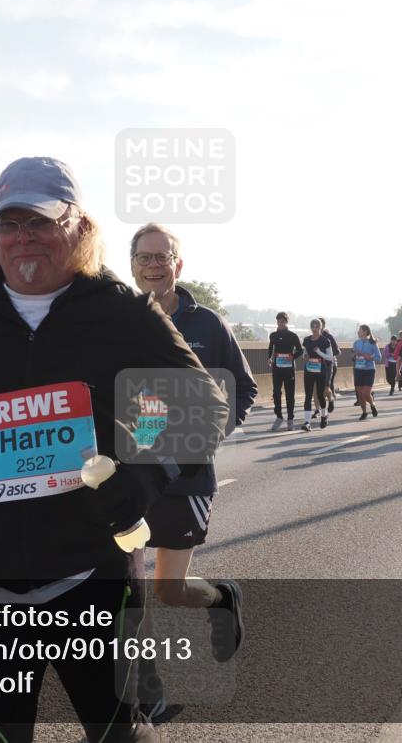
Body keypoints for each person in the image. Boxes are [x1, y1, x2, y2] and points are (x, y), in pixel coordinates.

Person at [0, 157, 230, 743]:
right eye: (9, 223)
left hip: (92, 573)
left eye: (40, 222)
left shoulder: (122, 310)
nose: (23, 238)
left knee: (118, 733)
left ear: (78, 226)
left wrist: (142, 478)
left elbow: (202, 403)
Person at [128, 221, 257, 716]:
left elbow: (243, 390)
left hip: (186, 477)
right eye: (145, 257)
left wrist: (211, 435)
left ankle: (222, 597)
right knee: (128, 590)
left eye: (164, 256)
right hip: (135, 474)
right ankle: (150, 697)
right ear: (133, 265)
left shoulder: (209, 325)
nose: (155, 265)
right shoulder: (121, 319)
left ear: (178, 264)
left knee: (169, 589)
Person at [268, 312, 302, 430]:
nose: (280, 323)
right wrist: (270, 358)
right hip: (277, 369)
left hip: (289, 369)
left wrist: (292, 356)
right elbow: (270, 348)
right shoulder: (273, 335)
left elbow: (300, 351)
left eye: (283, 321)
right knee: (276, 392)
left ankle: (290, 419)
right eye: (279, 321)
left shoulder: (292, 335)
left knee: (289, 394)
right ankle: (279, 416)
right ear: (277, 322)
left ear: (286, 322)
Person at [301, 319, 334, 430]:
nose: (314, 329)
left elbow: (330, 357)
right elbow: (305, 352)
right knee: (308, 396)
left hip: (321, 372)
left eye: (317, 327)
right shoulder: (306, 340)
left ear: (321, 328)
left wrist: (319, 352)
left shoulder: (325, 341)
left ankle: (324, 416)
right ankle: (307, 422)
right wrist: (305, 356)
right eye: (313, 327)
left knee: (320, 395)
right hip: (309, 371)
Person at [352, 324, 382, 420]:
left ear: (365, 331)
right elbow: (353, 356)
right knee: (360, 394)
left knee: (365, 392)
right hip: (358, 369)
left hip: (369, 370)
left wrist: (369, 357)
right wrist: (355, 355)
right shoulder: (356, 343)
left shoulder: (372, 343)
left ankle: (372, 405)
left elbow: (379, 357)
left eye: (360, 330)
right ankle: (364, 412)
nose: (358, 332)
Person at [318, 317, 341, 413]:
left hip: (327, 365)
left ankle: (330, 399)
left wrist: (326, 354)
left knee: (326, 387)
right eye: (313, 325)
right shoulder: (312, 337)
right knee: (318, 388)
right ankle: (318, 410)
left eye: (317, 325)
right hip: (316, 366)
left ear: (322, 326)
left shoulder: (328, 337)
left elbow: (337, 351)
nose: (315, 327)